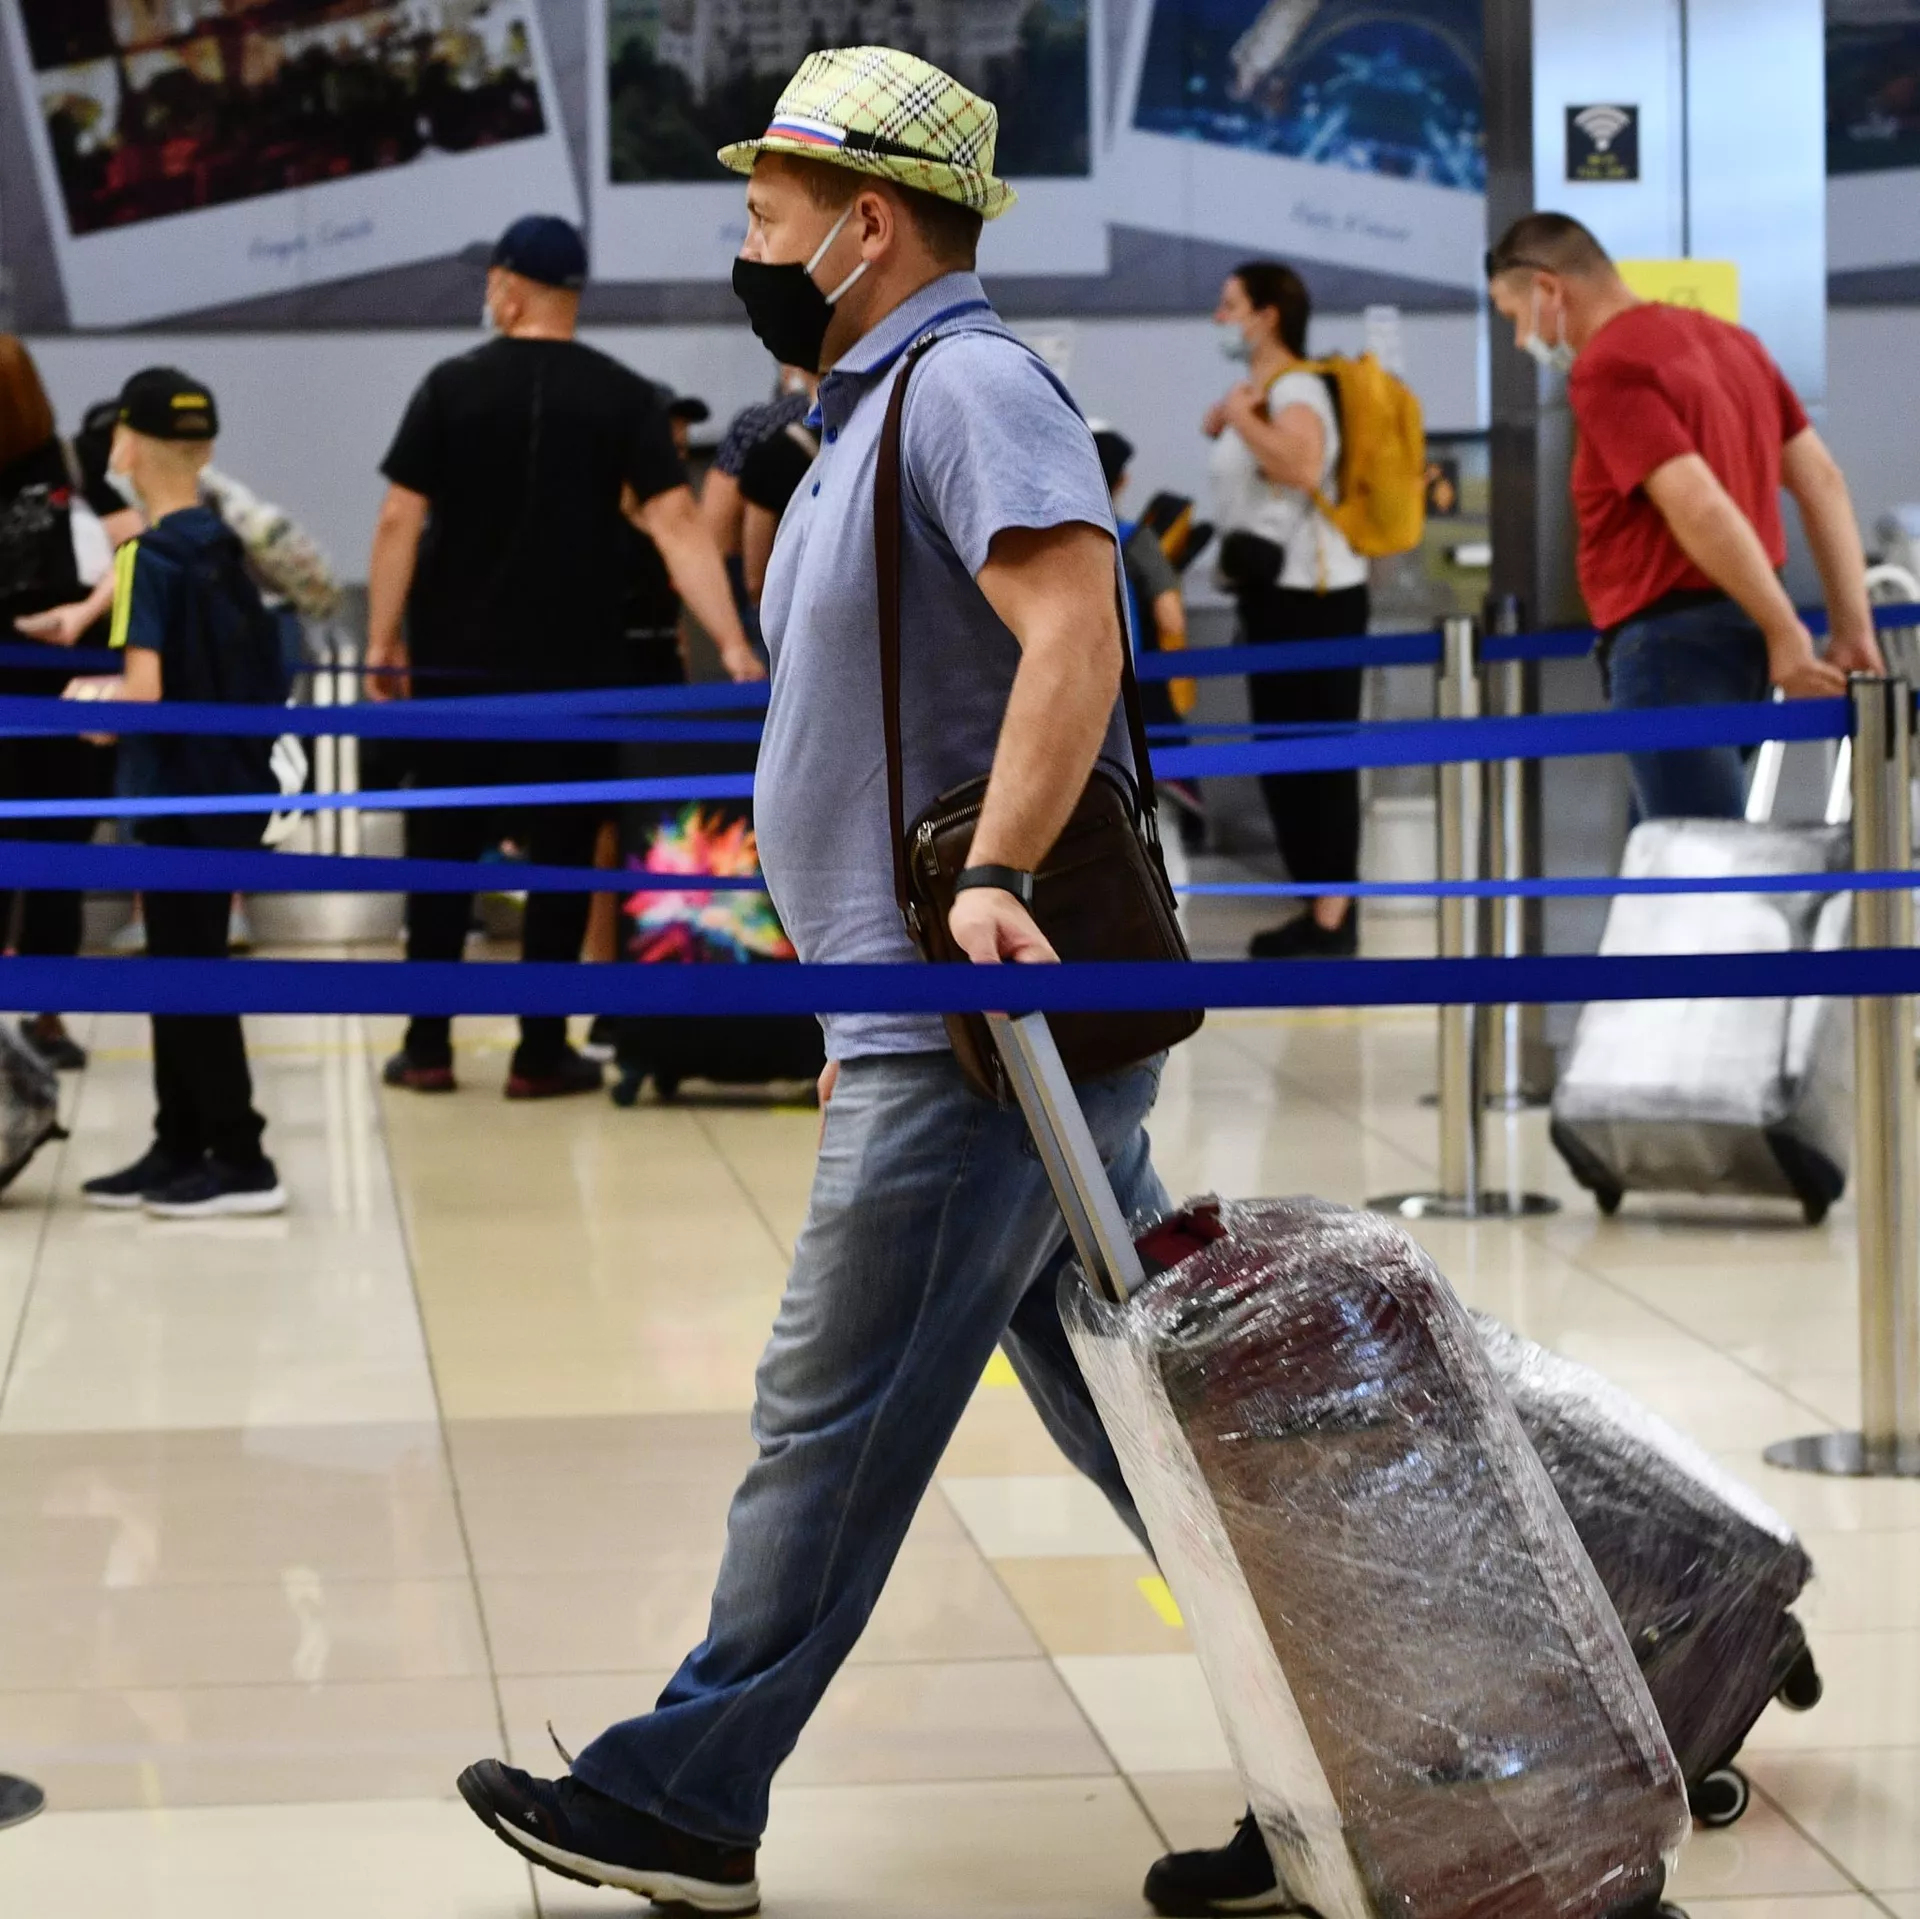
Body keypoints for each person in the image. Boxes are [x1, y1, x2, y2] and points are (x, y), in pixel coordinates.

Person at [454, 46, 1177, 1912]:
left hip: (979, 1018)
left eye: (769, 213)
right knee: (1163, 1422)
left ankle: (688, 1789)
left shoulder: (972, 385)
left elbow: (1075, 631)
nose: (749, 245)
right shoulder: (869, 411)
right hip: (937, 1023)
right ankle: (1431, 1719)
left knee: (830, 1412)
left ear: (869, 223)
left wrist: (994, 878)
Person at [366, 213, 764, 1101]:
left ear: (510, 290)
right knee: (559, 857)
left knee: (441, 853)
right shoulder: (622, 396)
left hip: (457, 673)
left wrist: (384, 639)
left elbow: (398, 518)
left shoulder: (450, 387)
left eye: (491, 281)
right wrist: (733, 643)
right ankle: (539, 1053)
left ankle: (426, 1047)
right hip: (578, 670)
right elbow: (676, 523)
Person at [1485, 213, 1882, 819]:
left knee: (1697, 858)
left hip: (1671, 647)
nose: (1521, 341)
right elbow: (1822, 482)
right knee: (1670, 851)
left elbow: (1696, 502)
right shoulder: (1733, 343)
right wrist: (1853, 630)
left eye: (1515, 318)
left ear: (1548, 289)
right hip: (1739, 639)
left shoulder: (1608, 365)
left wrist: (1786, 632)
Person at [71, 368, 286, 1219]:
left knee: (190, 980)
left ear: (127, 446)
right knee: (181, 972)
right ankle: (178, 1141)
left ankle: (241, 1155)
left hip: (170, 803)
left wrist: (91, 704)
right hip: (224, 792)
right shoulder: (223, 547)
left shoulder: (144, 559)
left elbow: (145, 692)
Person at [1206, 262, 1370, 959]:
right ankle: (1319, 908)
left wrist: (1241, 417)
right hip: (1279, 599)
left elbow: (1301, 466)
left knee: (1316, 758)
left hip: (1314, 599)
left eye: (1230, 304)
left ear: (1268, 315)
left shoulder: (1297, 388)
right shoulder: (1270, 391)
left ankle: (1333, 919)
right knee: (1286, 759)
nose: (1220, 319)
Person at [0, 341, 118, 1074]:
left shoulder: (75, 466)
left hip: (61, 688)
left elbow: (140, 547)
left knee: (53, 855)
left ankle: (45, 1013)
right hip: (54, 689)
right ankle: (43, 1014)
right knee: (49, 856)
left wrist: (82, 614)